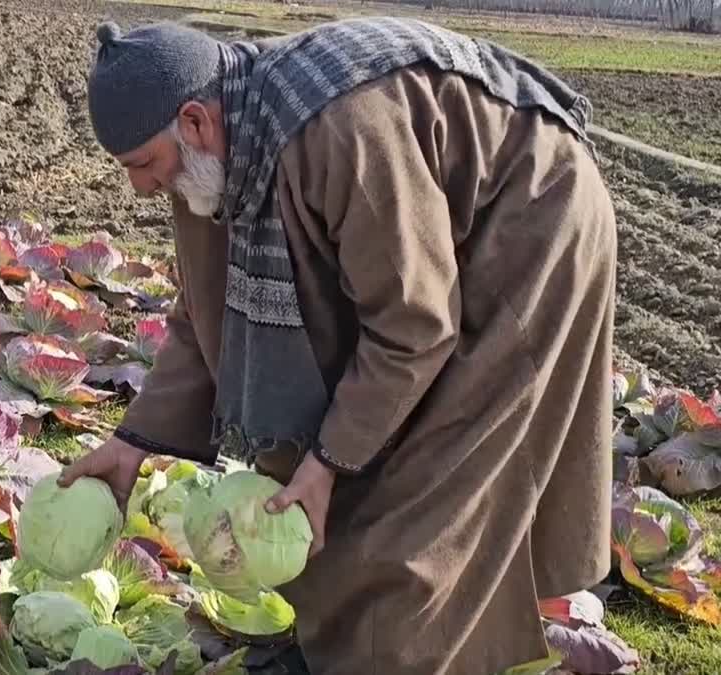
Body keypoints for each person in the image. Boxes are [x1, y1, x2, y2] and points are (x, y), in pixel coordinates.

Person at [58, 15, 617, 675]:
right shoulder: (214, 151)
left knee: (432, 493)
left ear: (195, 120)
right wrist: (133, 443)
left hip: (527, 231)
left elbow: (413, 324)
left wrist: (327, 461)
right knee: (338, 471)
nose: (139, 187)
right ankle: (347, 644)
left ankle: (409, 653)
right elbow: (203, 313)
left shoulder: (339, 130)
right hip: (426, 253)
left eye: (143, 164)